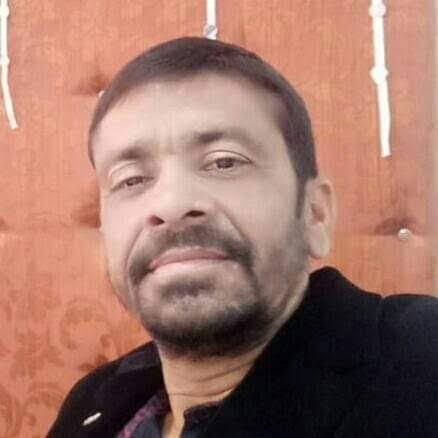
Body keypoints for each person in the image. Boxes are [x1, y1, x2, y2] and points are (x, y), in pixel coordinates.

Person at [48, 37, 438, 438]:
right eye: (131, 180)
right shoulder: (90, 402)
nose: (171, 204)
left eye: (223, 162)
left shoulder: (423, 362)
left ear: (315, 214)